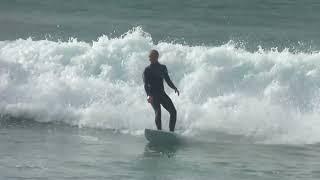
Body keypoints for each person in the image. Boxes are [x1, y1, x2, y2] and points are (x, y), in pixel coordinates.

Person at [143, 49, 180, 132]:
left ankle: (171, 132)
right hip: (153, 95)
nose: (150, 59)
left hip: (161, 94)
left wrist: (174, 88)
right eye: (149, 57)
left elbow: (167, 80)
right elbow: (145, 85)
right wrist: (148, 95)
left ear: (156, 57)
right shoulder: (147, 70)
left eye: (152, 57)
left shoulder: (162, 68)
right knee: (158, 112)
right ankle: (159, 131)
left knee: (173, 112)